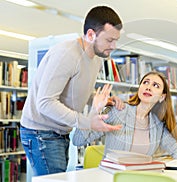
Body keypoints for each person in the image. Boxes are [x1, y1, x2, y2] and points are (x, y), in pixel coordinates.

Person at [20, 6, 125, 176]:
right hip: (41, 131)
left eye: (116, 40)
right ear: (91, 35)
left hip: (61, 131)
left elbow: (75, 92)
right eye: (109, 40)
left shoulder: (97, 59)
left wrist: (100, 100)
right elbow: (45, 103)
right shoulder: (66, 54)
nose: (114, 46)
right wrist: (87, 122)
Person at [72, 71, 177, 162]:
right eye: (145, 82)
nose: (148, 87)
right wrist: (95, 110)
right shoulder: (119, 111)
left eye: (155, 85)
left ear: (162, 97)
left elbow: (173, 147)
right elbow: (77, 140)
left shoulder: (157, 124)